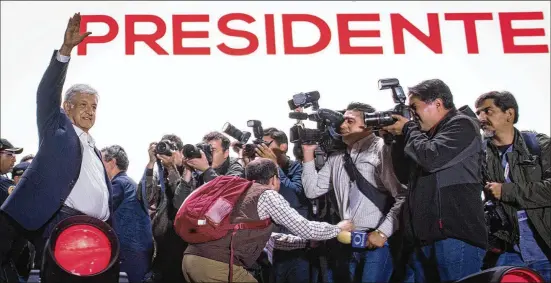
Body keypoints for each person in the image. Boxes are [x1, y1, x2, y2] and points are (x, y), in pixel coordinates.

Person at [0, 12, 114, 276]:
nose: (89, 111)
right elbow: (46, 94)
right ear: (67, 107)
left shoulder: (94, 147)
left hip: (97, 232)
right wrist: (65, 51)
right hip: (64, 226)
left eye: (94, 107)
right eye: (83, 105)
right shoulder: (57, 130)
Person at [182, 158, 354, 283]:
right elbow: (305, 227)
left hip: (191, 260)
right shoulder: (266, 194)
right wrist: (338, 229)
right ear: (273, 179)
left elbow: (268, 240)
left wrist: (306, 243)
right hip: (218, 265)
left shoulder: (238, 193)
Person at [382, 79, 487, 282]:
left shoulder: (463, 124)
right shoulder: (423, 136)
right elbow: (404, 176)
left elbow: (432, 158)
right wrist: (396, 140)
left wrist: (408, 129)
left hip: (455, 237)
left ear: (437, 104)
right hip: (424, 238)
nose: (412, 115)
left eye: (415, 108)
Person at [302, 102, 407, 283]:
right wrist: (308, 154)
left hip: (378, 242)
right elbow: (312, 190)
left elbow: (403, 195)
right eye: (343, 121)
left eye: (350, 121)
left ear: (368, 124)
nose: (342, 126)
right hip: (348, 241)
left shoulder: (383, 149)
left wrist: (382, 233)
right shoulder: (337, 157)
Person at [475, 91, 550, 282]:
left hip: (544, 249)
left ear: (510, 114)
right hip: (507, 251)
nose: (481, 118)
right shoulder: (479, 153)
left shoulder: (539, 145)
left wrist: (506, 191)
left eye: (488, 111)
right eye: (478, 113)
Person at [101, 145, 154, 283]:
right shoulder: (129, 182)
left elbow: (101, 210)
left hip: (129, 250)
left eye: (101, 162)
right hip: (139, 249)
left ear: (112, 162)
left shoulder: (119, 183)